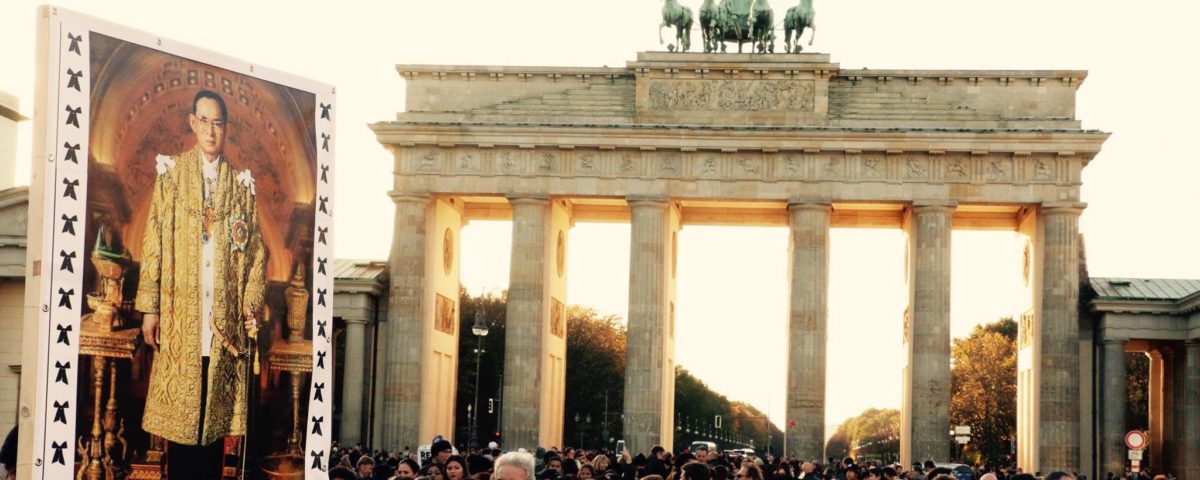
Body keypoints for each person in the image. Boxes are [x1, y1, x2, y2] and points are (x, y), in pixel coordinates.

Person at [136, 89, 266, 479]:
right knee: (182, 425)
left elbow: (256, 253)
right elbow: (154, 241)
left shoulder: (241, 186)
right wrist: (150, 309)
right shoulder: (172, 175)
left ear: (227, 129)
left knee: (213, 426)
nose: (211, 131)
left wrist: (251, 303)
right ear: (193, 123)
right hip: (181, 320)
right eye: (204, 121)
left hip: (223, 325)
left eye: (218, 123)